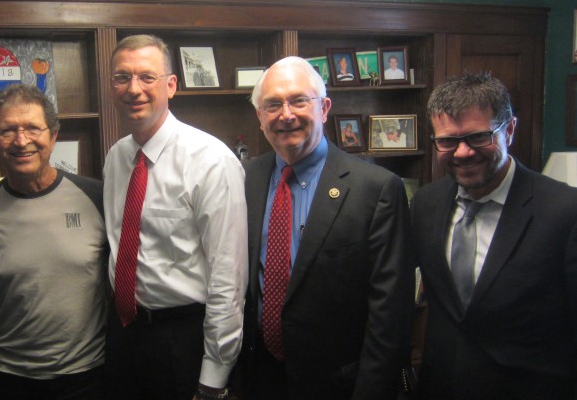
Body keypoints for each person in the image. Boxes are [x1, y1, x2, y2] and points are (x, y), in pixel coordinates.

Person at [242, 56, 414, 400]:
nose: (286, 114)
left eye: (299, 100)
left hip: (339, 384)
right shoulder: (243, 178)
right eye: (272, 104)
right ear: (260, 117)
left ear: (324, 108)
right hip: (259, 378)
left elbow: (390, 314)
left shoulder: (377, 189)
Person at [411, 72, 577, 400]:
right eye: (447, 141)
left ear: (510, 130)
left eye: (477, 137)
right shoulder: (425, 204)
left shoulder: (565, 212)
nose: (462, 152)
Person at [103, 34, 247, 400]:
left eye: (147, 77)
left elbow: (227, 280)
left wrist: (213, 377)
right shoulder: (116, 158)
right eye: (123, 77)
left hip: (183, 340)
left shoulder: (211, 161)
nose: (134, 88)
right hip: (123, 333)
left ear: (171, 85)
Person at [0, 83, 108, 400]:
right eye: (8, 130)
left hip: (88, 378)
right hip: (6, 380)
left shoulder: (97, 198)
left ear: (53, 136)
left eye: (32, 128)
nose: (21, 140)